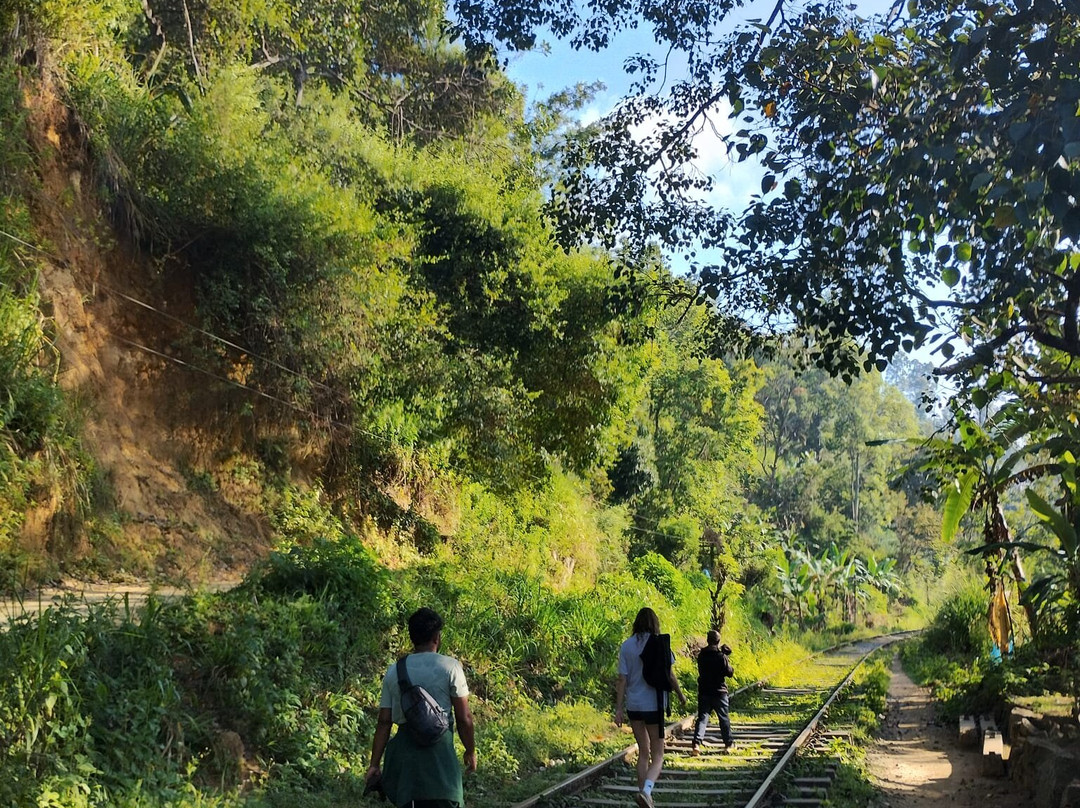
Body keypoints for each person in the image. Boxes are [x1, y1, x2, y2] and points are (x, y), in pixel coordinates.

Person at [366, 607, 477, 808]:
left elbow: (384, 721)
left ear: (412, 637)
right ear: (436, 637)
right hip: (440, 761)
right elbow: (464, 718)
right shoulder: (450, 667)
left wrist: (374, 764)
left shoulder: (395, 671)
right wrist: (470, 750)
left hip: (407, 766)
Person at [614, 607, 687, 808]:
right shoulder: (660, 644)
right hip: (653, 705)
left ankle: (644, 798)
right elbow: (670, 675)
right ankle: (646, 791)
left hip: (634, 706)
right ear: (655, 623)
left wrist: (618, 709)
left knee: (643, 752)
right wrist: (680, 695)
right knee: (658, 755)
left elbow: (622, 679)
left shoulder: (626, 646)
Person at [690, 630, 734, 756]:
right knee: (723, 718)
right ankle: (728, 744)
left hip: (704, 691)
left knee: (702, 718)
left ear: (707, 640)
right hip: (719, 692)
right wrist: (725, 656)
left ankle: (696, 744)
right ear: (718, 641)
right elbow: (729, 672)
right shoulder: (721, 657)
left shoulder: (702, 655)